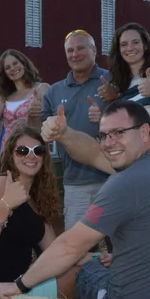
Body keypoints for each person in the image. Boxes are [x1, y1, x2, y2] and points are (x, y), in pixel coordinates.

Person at [0, 100, 150, 299]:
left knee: (80, 267)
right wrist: (65, 134)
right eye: (104, 135)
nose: (108, 142)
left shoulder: (125, 183)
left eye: (119, 133)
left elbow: (70, 246)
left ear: (144, 132)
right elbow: (95, 153)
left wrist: (19, 285)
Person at [0, 127, 76, 298]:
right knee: (76, 277)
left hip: (19, 288)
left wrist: (95, 257)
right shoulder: (1, 184)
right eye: (22, 151)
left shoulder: (35, 200)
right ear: (11, 154)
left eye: (38, 151)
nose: (31, 156)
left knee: (82, 270)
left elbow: (54, 250)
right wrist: (6, 204)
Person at [39, 30, 110, 229]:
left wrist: (104, 118)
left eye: (80, 48)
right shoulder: (54, 91)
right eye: (70, 50)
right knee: (79, 246)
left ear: (94, 50)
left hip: (113, 177)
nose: (75, 54)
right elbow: (43, 127)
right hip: (75, 182)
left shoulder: (111, 81)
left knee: (121, 244)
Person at [91, 23, 150, 147]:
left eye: (136, 42)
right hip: (133, 158)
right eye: (124, 44)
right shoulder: (122, 86)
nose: (130, 48)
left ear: (145, 45)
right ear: (119, 51)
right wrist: (101, 116)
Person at [0, 49, 50, 151]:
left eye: (15, 63)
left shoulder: (42, 88)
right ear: (5, 73)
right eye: (7, 67)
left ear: (23, 63)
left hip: (33, 148)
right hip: (9, 150)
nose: (13, 68)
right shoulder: (6, 96)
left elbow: (51, 116)